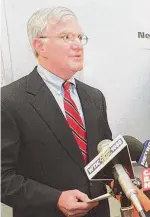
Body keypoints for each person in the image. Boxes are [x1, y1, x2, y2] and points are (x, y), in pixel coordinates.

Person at [1, 7, 112, 217]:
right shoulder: (8, 101)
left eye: (80, 37)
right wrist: (55, 199)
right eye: (66, 37)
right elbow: (2, 178)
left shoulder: (94, 97)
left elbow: (103, 158)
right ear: (39, 45)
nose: (77, 45)